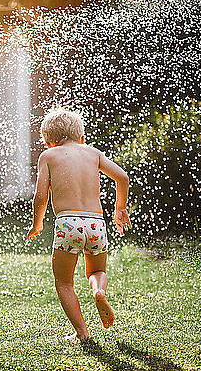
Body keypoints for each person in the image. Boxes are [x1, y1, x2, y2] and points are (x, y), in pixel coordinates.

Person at [27, 108, 131, 341]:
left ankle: (82, 332)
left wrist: (37, 224)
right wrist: (120, 208)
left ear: (48, 141)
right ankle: (99, 291)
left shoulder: (49, 156)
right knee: (97, 270)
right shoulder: (93, 153)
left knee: (64, 282)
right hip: (96, 224)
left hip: (68, 224)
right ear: (81, 137)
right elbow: (122, 178)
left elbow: (40, 196)